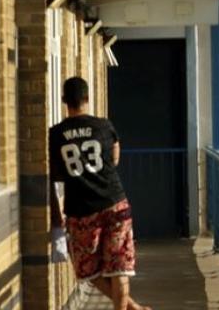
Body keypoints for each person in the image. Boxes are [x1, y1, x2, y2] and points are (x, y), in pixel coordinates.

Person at [49, 77, 150, 310]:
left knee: (87, 270)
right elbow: (114, 157)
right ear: (87, 98)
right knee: (120, 268)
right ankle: (131, 308)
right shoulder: (104, 126)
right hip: (114, 202)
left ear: (64, 100)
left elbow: (55, 174)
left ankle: (133, 308)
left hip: (81, 211)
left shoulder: (55, 134)